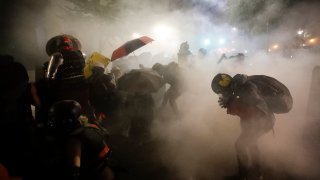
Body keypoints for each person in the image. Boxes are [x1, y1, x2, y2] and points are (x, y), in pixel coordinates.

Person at [211, 73, 292, 180]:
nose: (222, 96)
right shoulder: (240, 85)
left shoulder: (247, 89)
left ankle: (244, 175)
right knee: (252, 144)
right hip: (262, 121)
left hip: (264, 121)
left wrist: (232, 103)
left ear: (225, 89)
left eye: (222, 93)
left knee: (240, 145)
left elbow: (258, 106)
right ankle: (256, 174)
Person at [48, 100, 114, 180]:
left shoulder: (74, 140)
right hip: (108, 172)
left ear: (65, 122)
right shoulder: (92, 126)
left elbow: (74, 172)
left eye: (56, 121)